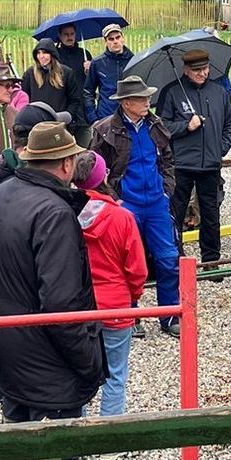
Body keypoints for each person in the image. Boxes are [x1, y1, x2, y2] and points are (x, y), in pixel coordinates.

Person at [0, 120, 106, 460]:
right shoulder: (54, 212)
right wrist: (89, 361)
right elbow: (62, 303)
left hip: (10, 344)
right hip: (50, 362)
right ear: (67, 164)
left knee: (12, 451)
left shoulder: (0, 194)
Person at [90, 76, 181, 335]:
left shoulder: (156, 125)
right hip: (126, 206)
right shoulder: (105, 129)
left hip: (156, 205)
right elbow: (93, 169)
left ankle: (170, 315)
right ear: (127, 103)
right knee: (128, 262)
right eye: (142, 98)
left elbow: (167, 160)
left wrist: (166, 191)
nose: (147, 102)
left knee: (168, 259)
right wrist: (114, 201)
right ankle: (131, 315)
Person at [73, 149, 150, 415]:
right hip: (116, 305)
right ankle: (110, 438)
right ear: (104, 176)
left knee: (80, 374)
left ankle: (78, 431)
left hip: (79, 305)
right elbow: (137, 268)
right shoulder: (122, 217)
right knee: (115, 375)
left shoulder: (65, 215)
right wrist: (134, 295)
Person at [159, 46, 231, 267]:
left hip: (210, 165)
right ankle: (175, 260)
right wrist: (187, 126)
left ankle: (211, 260)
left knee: (211, 215)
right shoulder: (172, 93)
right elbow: (162, 126)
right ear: (186, 70)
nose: (203, 73)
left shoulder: (219, 92)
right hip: (182, 165)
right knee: (176, 212)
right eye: (197, 70)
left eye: (205, 69)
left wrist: (220, 148)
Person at [23, 37, 86, 124]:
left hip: (59, 122)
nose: (41, 56)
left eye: (45, 53)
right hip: (37, 123)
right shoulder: (30, 73)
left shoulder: (66, 72)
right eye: (38, 53)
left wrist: (67, 116)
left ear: (52, 54)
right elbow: (24, 97)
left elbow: (74, 100)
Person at [86, 23, 136, 122]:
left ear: (123, 38)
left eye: (117, 37)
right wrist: (93, 119)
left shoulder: (133, 60)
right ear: (106, 42)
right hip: (106, 116)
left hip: (130, 116)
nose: (115, 42)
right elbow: (88, 92)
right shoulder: (97, 63)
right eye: (111, 39)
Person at [51, 23, 92, 88]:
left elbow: (92, 79)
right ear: (59, 35)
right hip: (62, 94)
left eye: (72, 34)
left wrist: (90, 69)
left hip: (81, 94)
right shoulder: (55, 55)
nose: (69, 37)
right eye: (66, 34)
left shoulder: (84, 54)